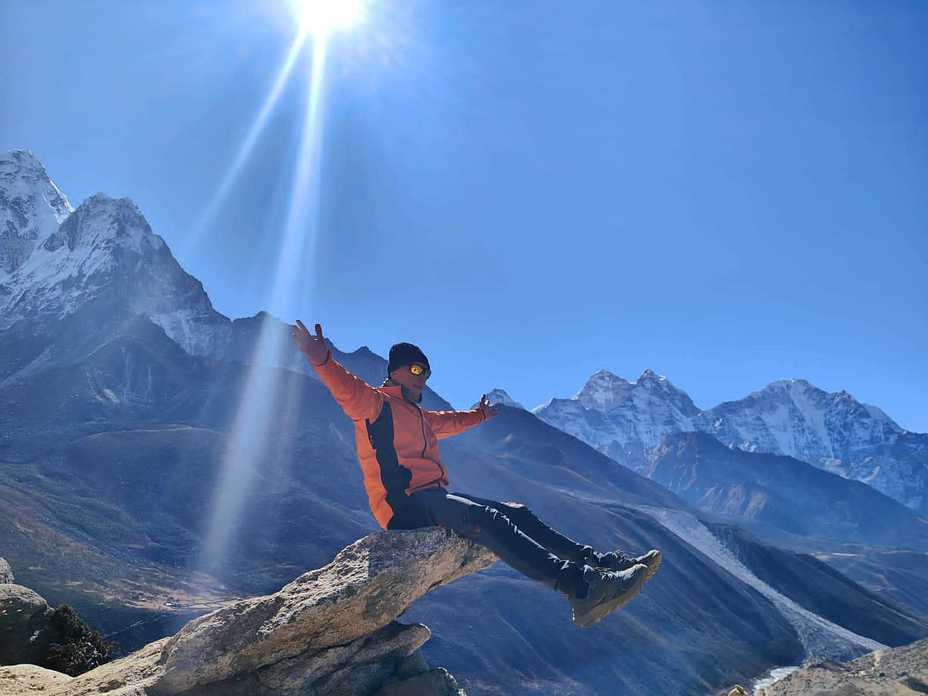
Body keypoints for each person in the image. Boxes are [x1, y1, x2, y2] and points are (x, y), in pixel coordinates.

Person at [290, 320, 661, 627]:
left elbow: (450, 423)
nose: (423, 378)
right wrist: (321, 359)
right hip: (403, 507)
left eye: (427, 373)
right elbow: (344, 387)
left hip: (431, 499)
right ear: (396, 371)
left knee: (517, 513)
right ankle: (580, 587)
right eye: (417, 370)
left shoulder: (419, 416)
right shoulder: (375, 404)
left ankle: (599, 564)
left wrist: (479, 417)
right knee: (486, 518)